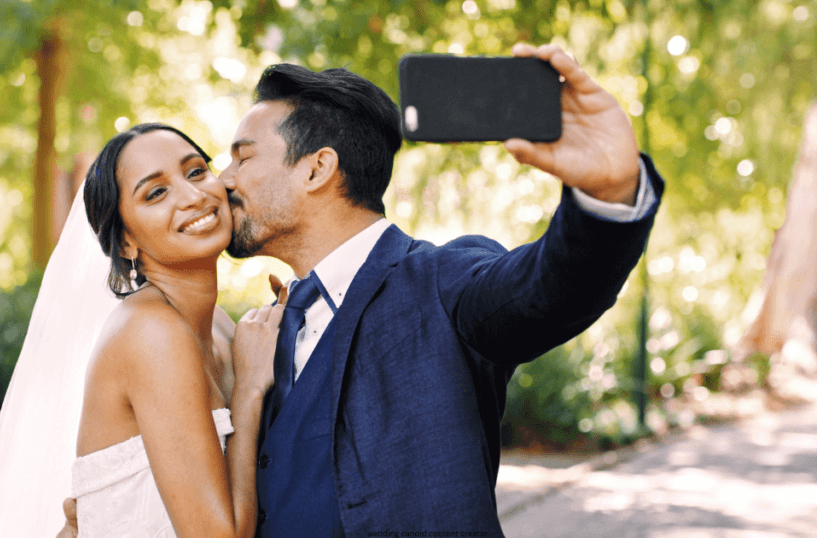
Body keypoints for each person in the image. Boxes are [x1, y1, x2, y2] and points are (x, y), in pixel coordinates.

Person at [57, 43, 663, 537]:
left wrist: (609, 194)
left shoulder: (441, 284)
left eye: (240, 159)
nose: (221, 182)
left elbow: (545, 290)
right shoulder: (260, 331)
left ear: (317, 169)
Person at [0, 124, 281, 537]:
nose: (193, 196)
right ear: (126, 243)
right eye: (156, 193)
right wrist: (250, 389)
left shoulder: (219, 325)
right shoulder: (151, 332)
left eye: (195, 171)